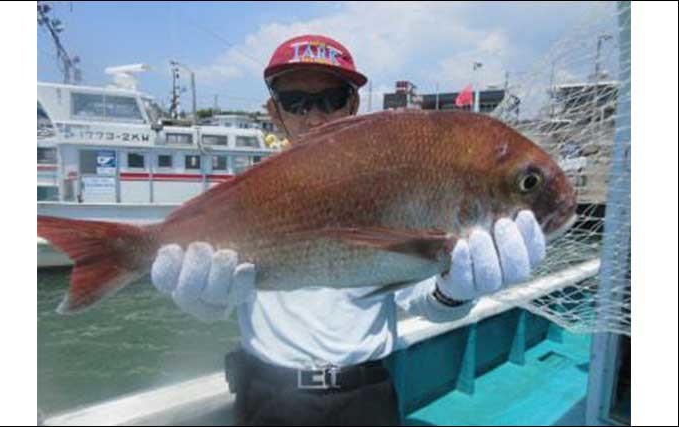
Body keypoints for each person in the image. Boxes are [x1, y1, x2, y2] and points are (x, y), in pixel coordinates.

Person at [151, 35, 546, 426]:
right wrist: (203, 299)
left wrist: (456, 291)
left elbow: (425, 300)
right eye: (295, 102)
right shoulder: (241, 199)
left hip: (364, 394)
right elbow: (220, 292)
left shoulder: (393, 186)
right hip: (266, 394)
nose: (314, 117)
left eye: (331, 98)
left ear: (353, 105)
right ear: (275, 112)